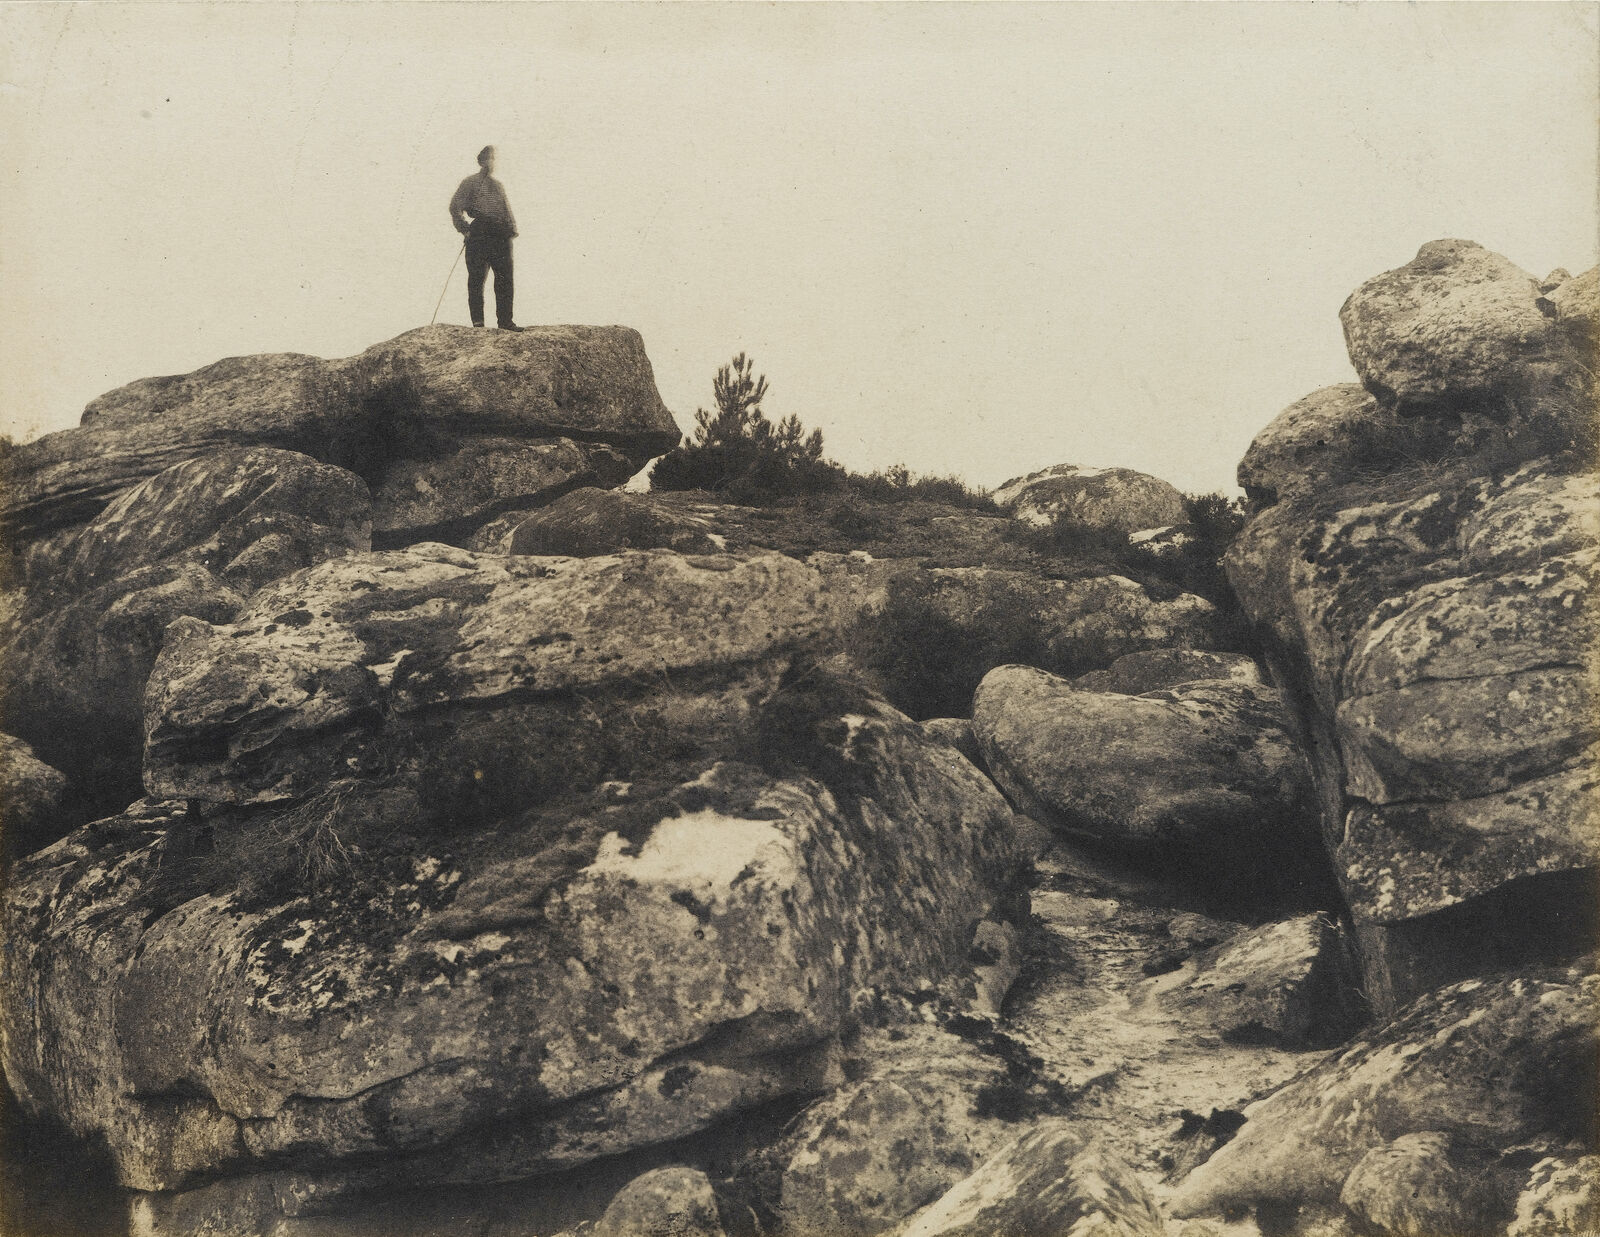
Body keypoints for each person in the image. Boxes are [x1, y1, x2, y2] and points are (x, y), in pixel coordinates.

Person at [449, 146, 522, 331]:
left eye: (493, 159)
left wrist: (511, 230)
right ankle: (478, 323)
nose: (491, 162)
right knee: (476, 279)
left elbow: (507, 210)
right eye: (488, 159)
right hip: (479, 233)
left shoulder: (498, 186)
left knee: (505, 278)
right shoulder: (470, 182)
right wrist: (464, 229)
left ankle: (505, 322)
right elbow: (454, 207)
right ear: (481, 161)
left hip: (500, 234)